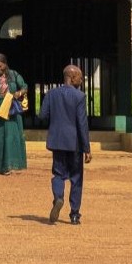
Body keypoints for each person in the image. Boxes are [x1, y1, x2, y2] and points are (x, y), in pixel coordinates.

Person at [43, 63, 91, 225]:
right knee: (76, 178)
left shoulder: (51, 94)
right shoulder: (79, 97)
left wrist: (56, 120)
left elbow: (43, 115)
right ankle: (74, 214)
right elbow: (82, 124)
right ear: (72, 77)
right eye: (80, 77)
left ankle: (58, 197)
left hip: (57, 141)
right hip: (74, 144)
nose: (81, 81)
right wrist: (87, 148)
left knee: (58, 174)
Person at [0, 52, 28, 175]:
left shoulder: (13, 75)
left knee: (12, 137)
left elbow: (24, 87)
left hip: (11, 112)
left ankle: (12, 165)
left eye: (0, 66)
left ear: (5, 64)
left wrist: (19, 93)